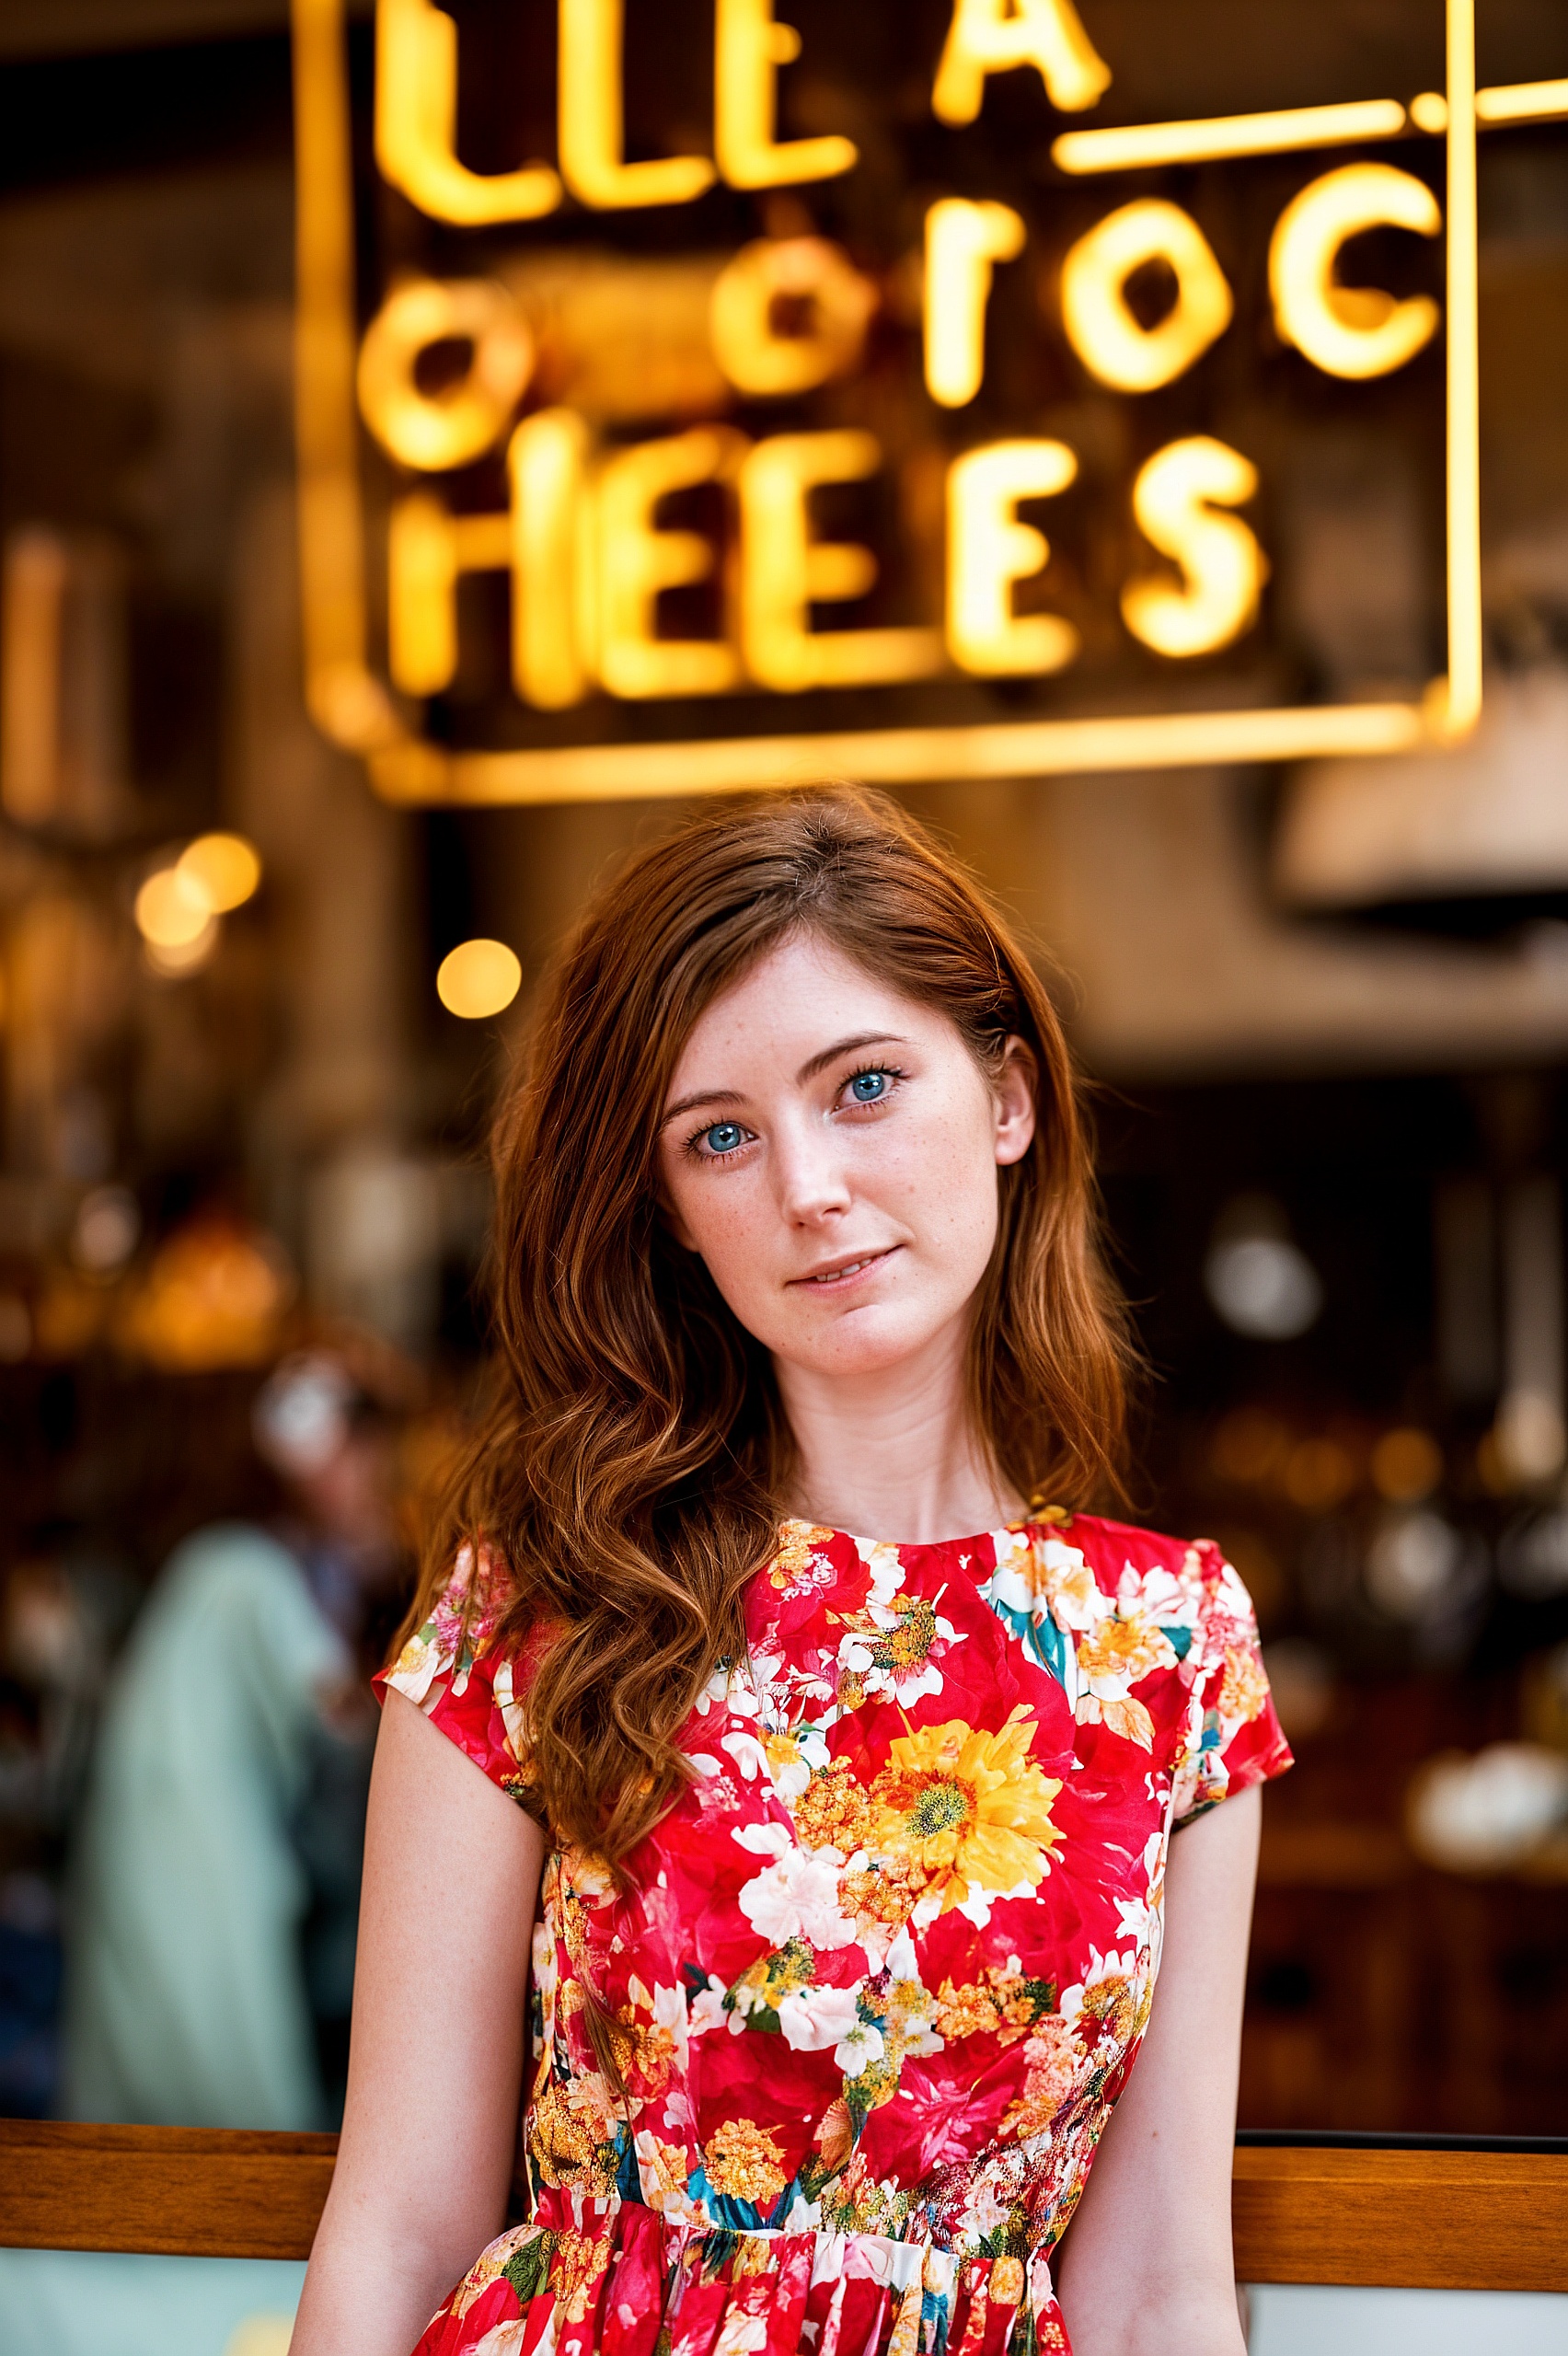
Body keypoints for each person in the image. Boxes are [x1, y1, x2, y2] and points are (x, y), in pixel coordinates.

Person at [293, 788, 1291, 2356]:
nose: (806, 1185)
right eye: (719, 1137)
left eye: (866, 1086)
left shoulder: (1165, 1649)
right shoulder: (540, 1600)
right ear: (672, 1212)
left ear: (1008, 1099)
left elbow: (1158, 2281)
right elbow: (401, 2216)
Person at [62, 1351, 398, 2131]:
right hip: (202, 1840)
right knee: (233, 2050)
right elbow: (341, 1711)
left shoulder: (213, 1562)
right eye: (364, 1462)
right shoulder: (251, 1572)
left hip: (151, 1829)